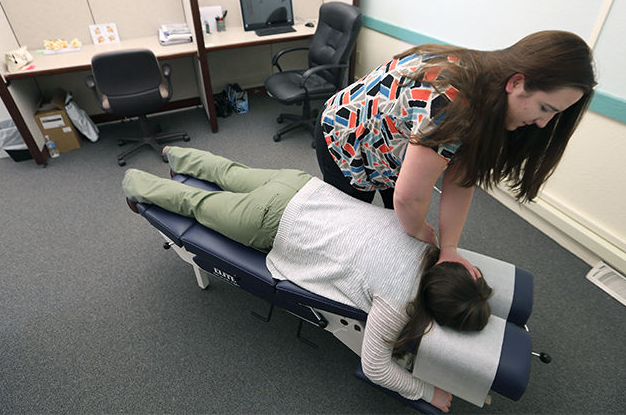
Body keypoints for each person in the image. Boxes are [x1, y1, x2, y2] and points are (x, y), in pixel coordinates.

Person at [123, 147, 493, 412]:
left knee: (228, 172)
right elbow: (375, 367)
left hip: (302, 187)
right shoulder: (398, 306)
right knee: (195, 205)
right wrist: (428, 392)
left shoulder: (426, 239)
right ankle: (134, 183)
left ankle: (176, 154)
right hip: (268, 221)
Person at [314, 30, 596, 274]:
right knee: (353, 226)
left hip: (393, 147)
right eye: (545, 108)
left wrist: (448, 248)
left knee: (402, 230)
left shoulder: (491, 90)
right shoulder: (453, 103)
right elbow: (408, 197)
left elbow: (462, 178)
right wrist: (418, 229)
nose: (543, 123)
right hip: (343, 139)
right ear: (516, 83)